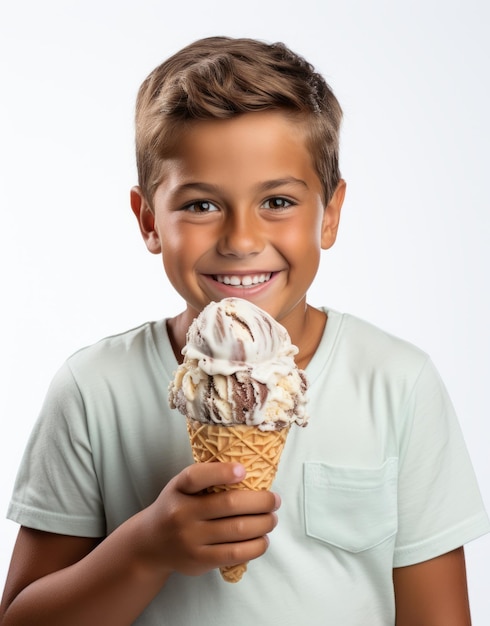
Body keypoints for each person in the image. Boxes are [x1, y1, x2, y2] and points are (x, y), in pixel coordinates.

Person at [0, 36, 488, 626]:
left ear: (329, 214)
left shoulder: (396, 382)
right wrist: (144, 551)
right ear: (149, 220)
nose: (240, 240)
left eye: (277, 201)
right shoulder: (93, 389)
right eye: (202, 206)